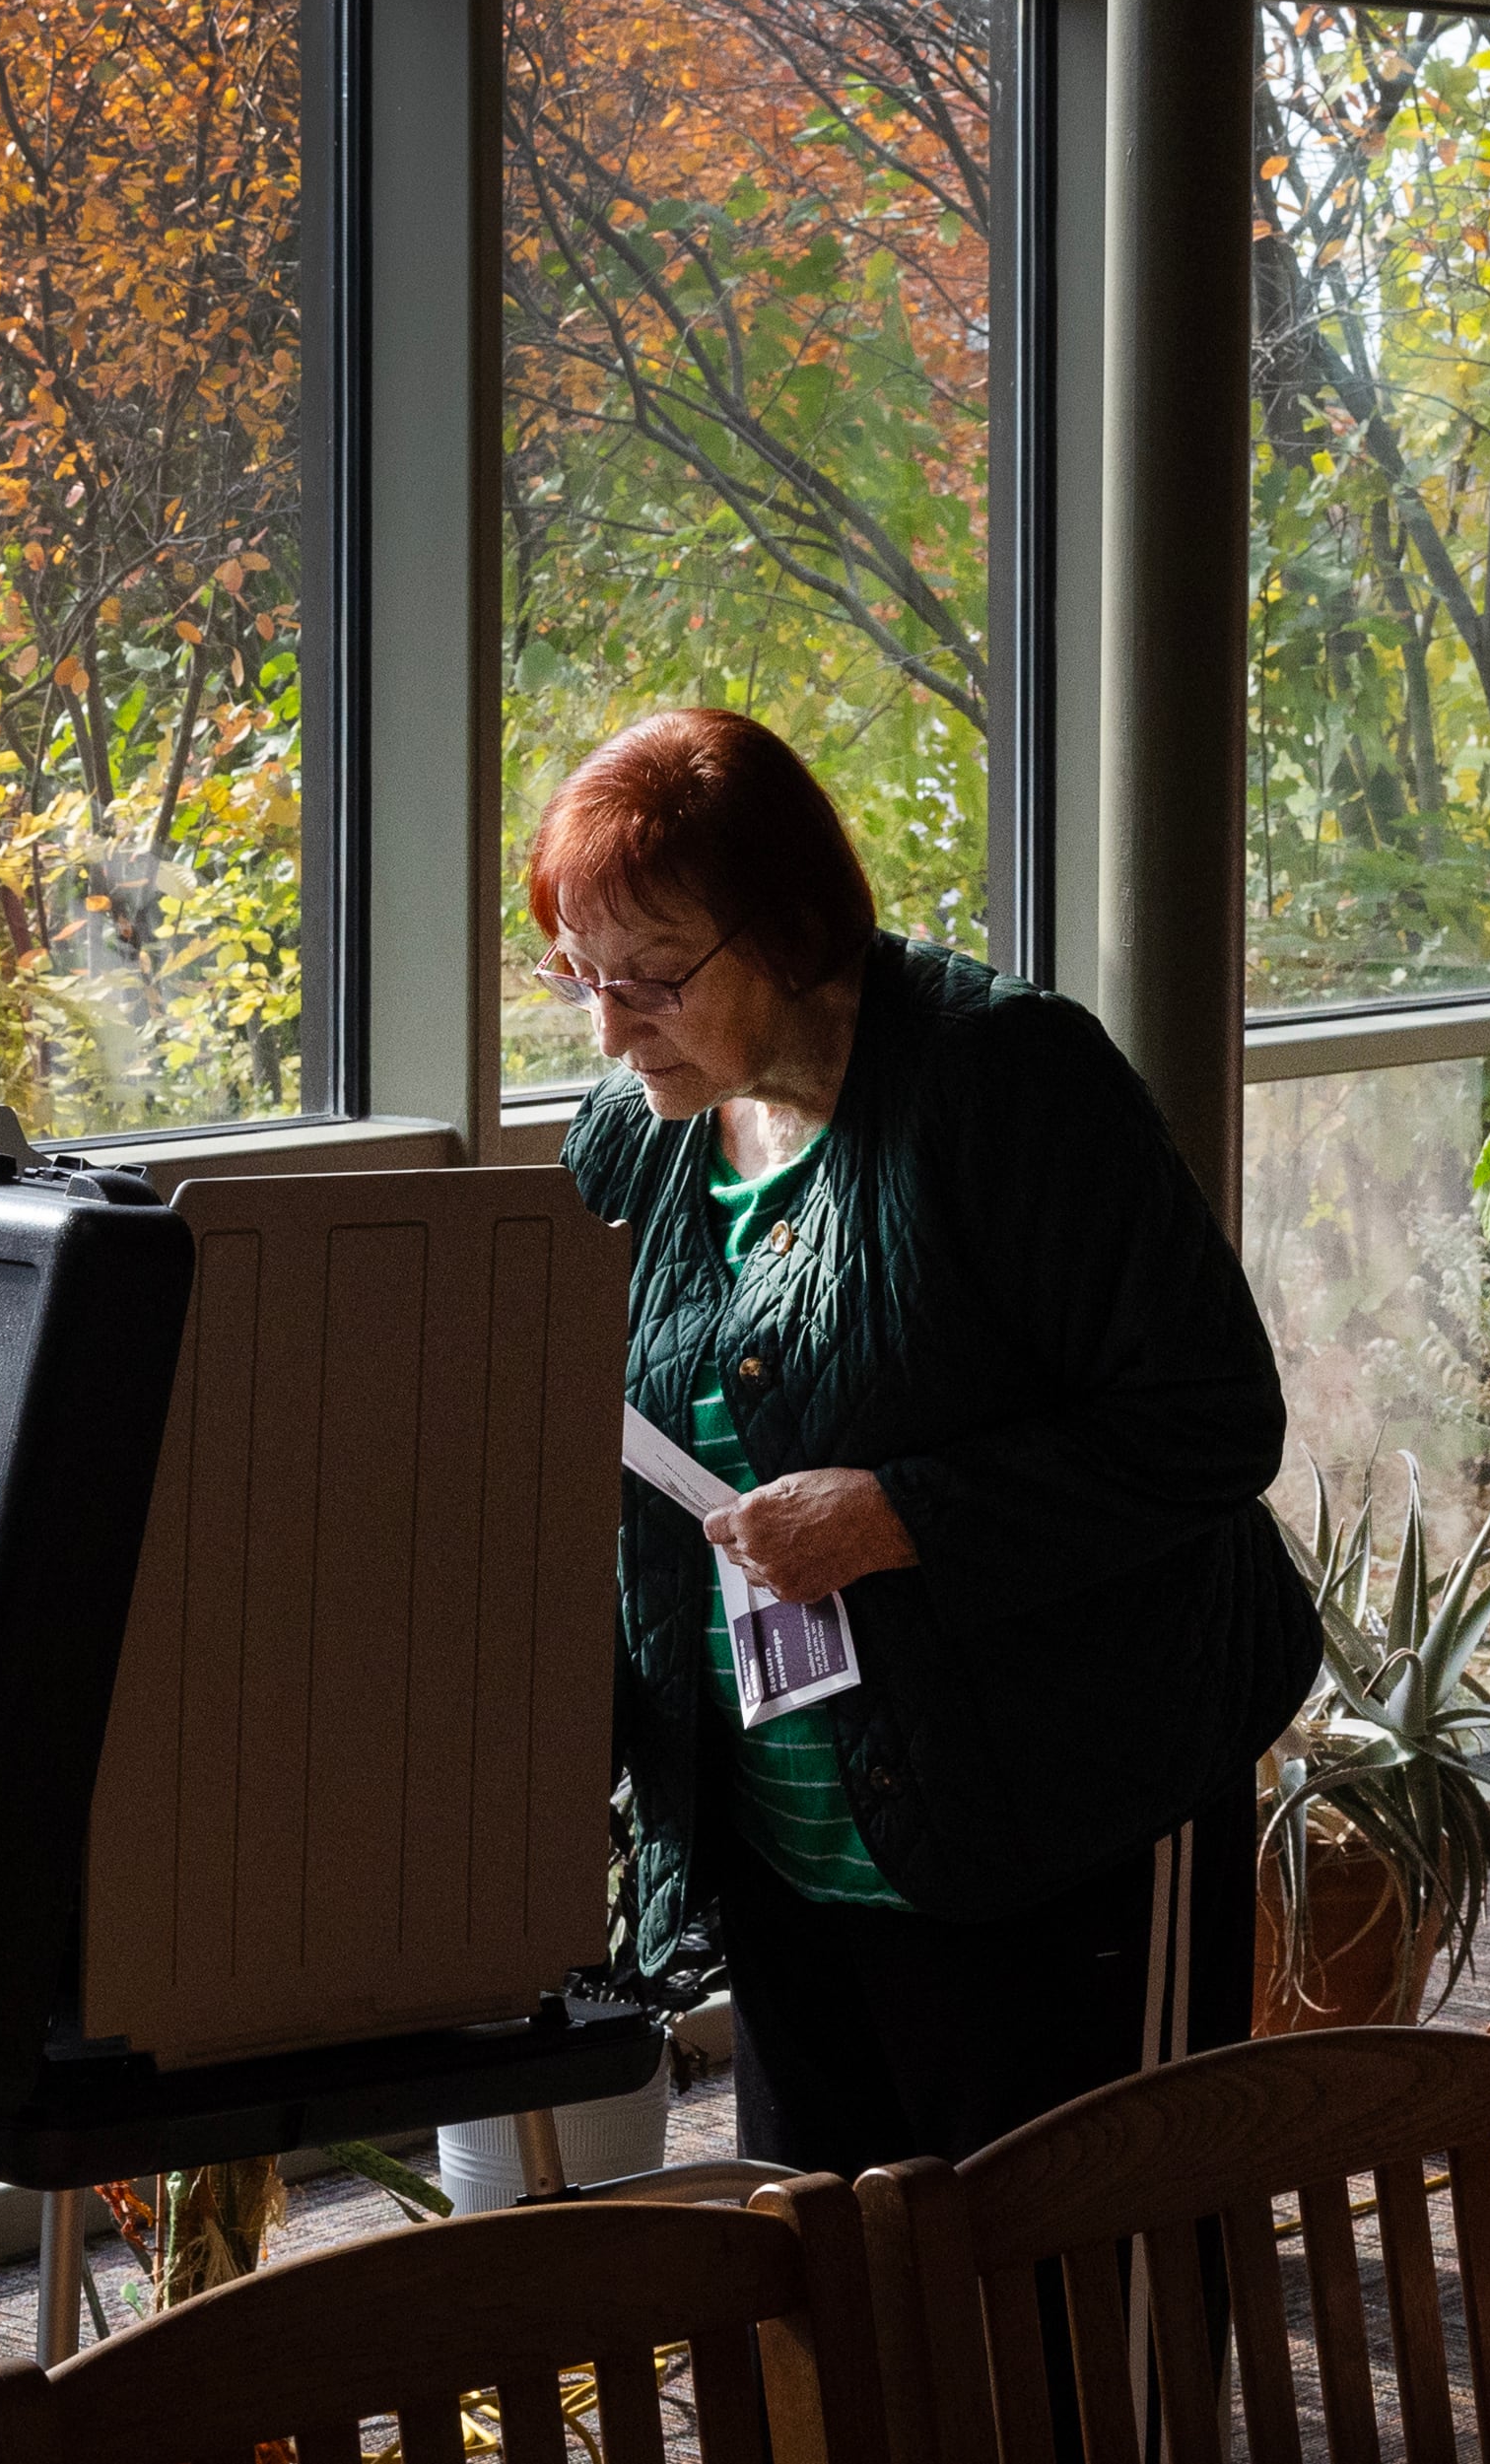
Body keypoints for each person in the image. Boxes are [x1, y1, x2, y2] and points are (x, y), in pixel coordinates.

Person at [540, 707, 1321, 2177]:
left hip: (1065, 1814)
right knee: (844, 2303)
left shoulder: (1004, 1077)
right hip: (790, 1848)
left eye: (648, 978)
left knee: (1075, 2318)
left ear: (783, 925)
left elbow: (1210, 1417)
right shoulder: (630, 1134)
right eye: (576, 975)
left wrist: (898, 1513)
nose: (605, 1025)